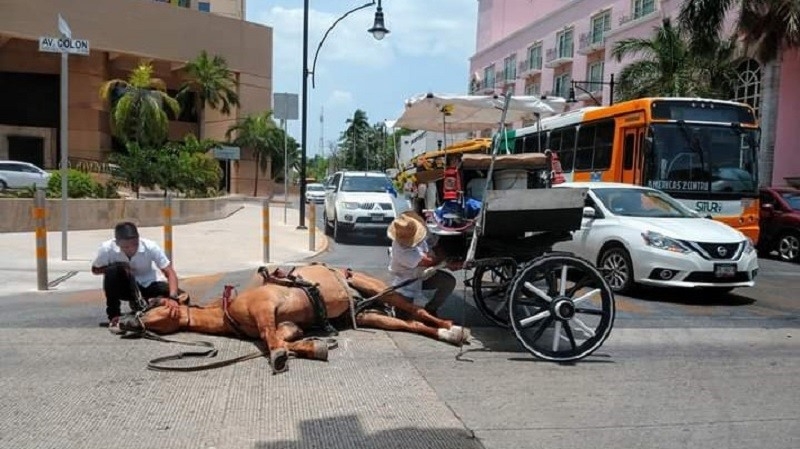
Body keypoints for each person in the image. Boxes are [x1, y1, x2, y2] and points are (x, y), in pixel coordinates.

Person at [91, 221, 187, 333]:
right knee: (112, 270)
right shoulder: (107, 249)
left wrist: (173, 298)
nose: (131, 249)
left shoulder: (150, 246)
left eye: (135, 244)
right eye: (126, 247)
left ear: (138, 239)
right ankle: (114, 317)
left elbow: (170, 272)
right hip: (126, 288)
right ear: (117, 243)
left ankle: (148, 303)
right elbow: (95, 270)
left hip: (149, 284)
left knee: (183, 297)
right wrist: (120, 266)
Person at [387, 212, 459, 317]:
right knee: (403, 315)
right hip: (407, 283)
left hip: (422, 275)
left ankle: (431, 309)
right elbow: (429, 261)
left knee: (448, 281)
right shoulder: (403, 252)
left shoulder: (416, 238)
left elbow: (431, 248)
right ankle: (398, 308)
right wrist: (446, 261)